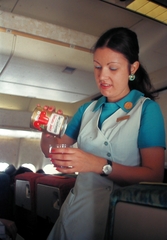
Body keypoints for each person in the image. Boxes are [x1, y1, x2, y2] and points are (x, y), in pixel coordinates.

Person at [40, 27, 166, 240]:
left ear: (132, 68)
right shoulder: (86, 110)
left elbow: (154, 176)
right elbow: (53, 151)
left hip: (118, 215)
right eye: (97, 67)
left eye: (113, 68)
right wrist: (47, 133)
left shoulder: (146, 110)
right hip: (75, 213)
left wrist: (98, 165)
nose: (102, 76)